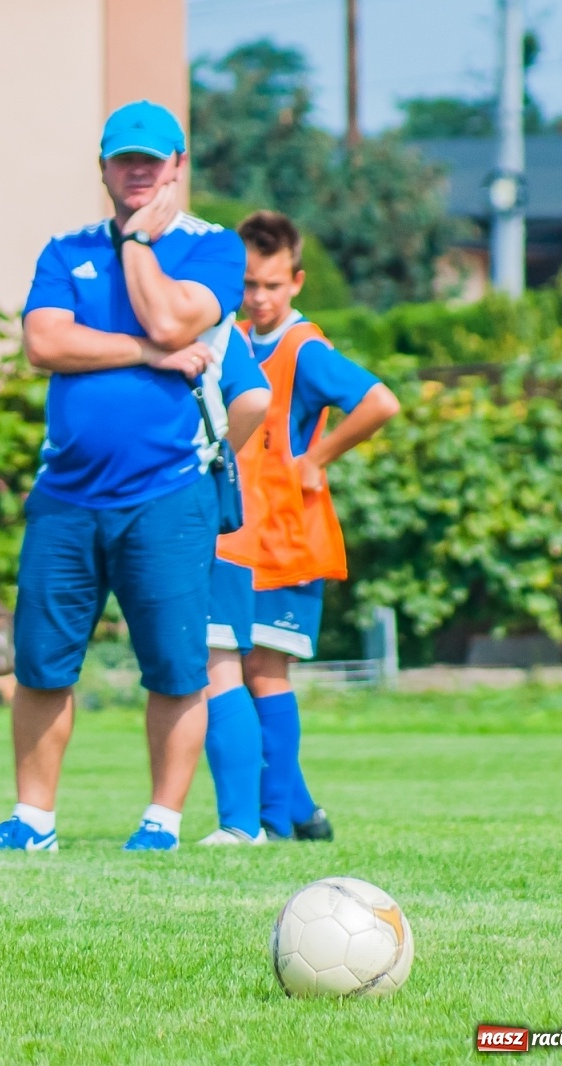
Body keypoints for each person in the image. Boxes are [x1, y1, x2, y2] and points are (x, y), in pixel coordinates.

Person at [0, 101, 270, 855]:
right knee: (40, 662)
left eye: (151, 160)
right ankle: (34, 822)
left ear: (177, 168)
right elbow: (43, 341)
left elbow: (174, 321)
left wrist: (136, 245)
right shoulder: (65, 251)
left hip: (169, 494)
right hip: (66, 495)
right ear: (102, 167)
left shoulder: (214, 250)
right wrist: (144, 354)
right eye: (123, 159)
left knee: (173, 667)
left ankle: (160, 824)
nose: (137, 171)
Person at [199, 210, 401, 846]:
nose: (258, 297)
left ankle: (275, 820)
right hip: (237, 538)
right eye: (249, 284)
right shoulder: (229, 339)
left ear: (297, 282)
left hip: (287, 538)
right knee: (238, 671)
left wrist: (316, 458)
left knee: (264, 675)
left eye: (272, 285)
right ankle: (301, 811)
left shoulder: (303, 348)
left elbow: (380, 401)